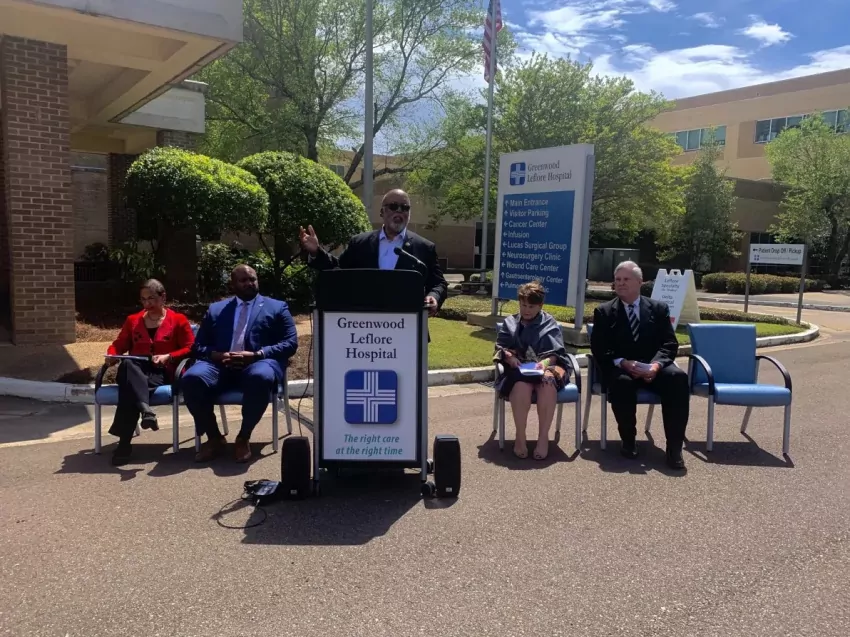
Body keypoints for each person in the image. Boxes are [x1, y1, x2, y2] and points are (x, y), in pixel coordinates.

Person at [182, 265, 298, 463]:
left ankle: (243, 437)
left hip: (257, 362)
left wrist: (257, 354)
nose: (249, 283)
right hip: (220, 365)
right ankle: (214, 437)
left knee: (260, 377)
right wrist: (217, 355)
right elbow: (198, 345)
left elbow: (290, 342)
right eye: (243, 281)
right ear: (232, 284)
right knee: (192, 378)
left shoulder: (277, 307)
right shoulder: (216, 310)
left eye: (252, 279)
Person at [590, 261, 689, 470]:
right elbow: (600, 349)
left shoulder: (658, 309)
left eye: (626, 279)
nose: (621, 283)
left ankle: (674, 448)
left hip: (653, 368)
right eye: (618, 279)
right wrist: (623, 363)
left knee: (678, 378)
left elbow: (669, 344)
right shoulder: (604, 312)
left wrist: (656, 366)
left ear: (639, 282)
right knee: (622, 383)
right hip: (623, 369)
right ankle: (628, 441)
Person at [298, 188, 448, 316]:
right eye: (393, 206)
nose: (399, 211)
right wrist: (316, 252)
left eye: (405, 208)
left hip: (409, 327)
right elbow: (338, 269)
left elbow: (439, 283)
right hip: (367, 327)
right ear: (382, 212)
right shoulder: (360, 243)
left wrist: (434, 296)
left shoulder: (424, 247)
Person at [105, 279, 195, 466]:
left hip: (161, 372)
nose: (147, 303)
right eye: (143, 299)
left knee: (129, 389)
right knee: (127, 365)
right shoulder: (133, 320)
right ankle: (146, 411)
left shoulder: (178, 320)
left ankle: (124, 444)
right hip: (136, 369)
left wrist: (169, 356)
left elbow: (190, 348)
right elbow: (118, 345)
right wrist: (111, 355)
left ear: (163, 297)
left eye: (151, 298)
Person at [493, 281, 572, 461]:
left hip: (546, 367)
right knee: (522, 386)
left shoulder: (550, 323)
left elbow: (557, 353)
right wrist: (510, 358)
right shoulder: (510, 322)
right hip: (519, 369)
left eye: (531, 306)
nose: (526, 310)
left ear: (540, 305)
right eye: (523, 305)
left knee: (547, 384)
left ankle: (543, 437)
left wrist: (544, 363)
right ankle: (520, 436)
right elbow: (500, 348)